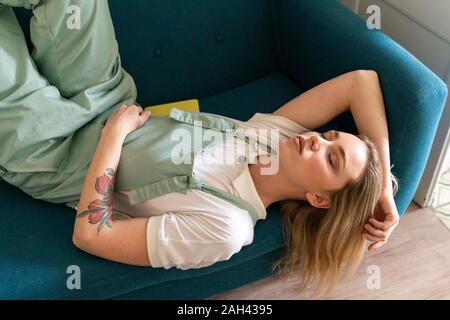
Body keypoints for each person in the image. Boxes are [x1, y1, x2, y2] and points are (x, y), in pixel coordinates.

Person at [0, 0, 399, 297]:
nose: (318, 138)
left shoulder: (226, 227)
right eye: (330, 136)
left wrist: (113, 138)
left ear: (318, 198)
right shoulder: (270, 136)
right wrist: (383, 188)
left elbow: (91, 236)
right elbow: (360, 83)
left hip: (55, 151)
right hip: (104, 97)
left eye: (331, 158)